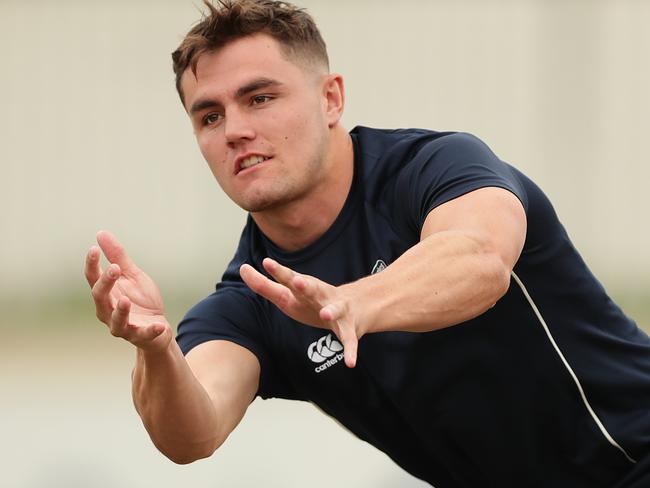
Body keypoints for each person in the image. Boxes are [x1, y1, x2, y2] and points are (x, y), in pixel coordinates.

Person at [84, 0, 650, 486]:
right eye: (209, 116)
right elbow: (193, 432)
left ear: (331, 99)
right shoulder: (252, 299)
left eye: (259, 98)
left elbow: (478, 259)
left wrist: (355, 302)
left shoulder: (434, 169)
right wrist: (155, 350)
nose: (234, 129)